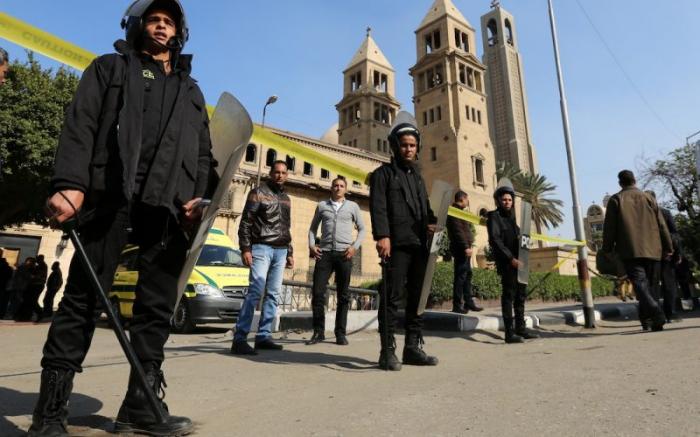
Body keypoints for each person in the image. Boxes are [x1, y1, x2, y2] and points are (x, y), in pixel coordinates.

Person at [30, 1, 213, 435]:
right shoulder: (110, 68)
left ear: (179, 33)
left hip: (166, 210)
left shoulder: (191, 91)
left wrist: (199, 198)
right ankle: (50, 412)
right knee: (82, 300)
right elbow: (81, 123)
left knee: (155, 309)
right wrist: (70, 182)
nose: (161, 27)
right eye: (154, 20)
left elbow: (203, 153)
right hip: (110, 197)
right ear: (138, 26)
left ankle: (141, 405)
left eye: (169, 22)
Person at [369, 122, 438, 371]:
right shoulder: (382, 175)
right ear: (395, 146)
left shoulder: (418, 179)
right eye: (404, 145)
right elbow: (378, 208)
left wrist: (433, 223)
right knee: (391, 297)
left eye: (412, 145)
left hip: (420, 245)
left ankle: (412, 347)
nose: (408, 149)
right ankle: (387, 351)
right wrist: (383, 236)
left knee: (418, 298)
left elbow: (427, 211)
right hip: (396, 244)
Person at [231, 160, 294, 355]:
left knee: (273, 294)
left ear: (287, 175)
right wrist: (245, 249)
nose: (280, 175)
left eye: (284, 173)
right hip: (261, 248)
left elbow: (286, 227)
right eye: (277, 172)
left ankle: (263, 336)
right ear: (270, 173)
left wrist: (289, 252)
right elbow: (245, 223)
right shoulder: (257, 193)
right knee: (255, 292)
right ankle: (239, 338)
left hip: (281, 250)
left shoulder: (286, 198)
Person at [602, 170, 672, 332]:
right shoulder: (648, 198)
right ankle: (649, 321)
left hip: (630, 250)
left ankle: (655, 313)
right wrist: (668, 247)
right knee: (650, 287)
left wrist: (606, 249)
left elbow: (610, 227)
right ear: (635, 180)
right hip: (654, 249)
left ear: (620, 183)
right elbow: (661, 225)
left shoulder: (616, 199)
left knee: (641, 285)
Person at [306, 176, 366, 345]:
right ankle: (318, 332)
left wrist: (354, 247)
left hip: (344, 254)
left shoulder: (353, 206)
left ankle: (340, 333)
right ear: (331, 188)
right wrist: (312, 245)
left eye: (341, 186)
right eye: (335, 185)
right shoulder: (322, 206)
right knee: (318, 293)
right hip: (324, 253)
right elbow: (312, 229)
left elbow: (362, 229)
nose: (338, 188)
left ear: (345, 189)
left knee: (343, 295)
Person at [486, 180, 539, 344]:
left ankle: (520, 328)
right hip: (508, 263)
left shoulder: (512, 219)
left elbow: (519, 239)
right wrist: (511, 259)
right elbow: (495, 240)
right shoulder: (494, 216)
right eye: (504, 200)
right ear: (498, 201)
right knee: (509, 296)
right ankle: (509, 333)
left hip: (520, 263)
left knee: (520, 296)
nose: (507, 202)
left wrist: (525, 247)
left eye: (509, 200)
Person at [446, 190, 482, 314]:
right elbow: (458, 231)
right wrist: (465, 246)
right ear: (462, 199)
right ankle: (457, 305)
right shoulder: (454, 212)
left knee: (467, 275)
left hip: (465, 248)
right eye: (467, 199)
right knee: (461, 277)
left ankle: (468, 302)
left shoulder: (460, 212)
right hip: (461, 249)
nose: (468, 201)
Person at [0, 249, 13, 317]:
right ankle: (2, 314)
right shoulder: (8, 268)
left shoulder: (5, 267)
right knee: (3, 301)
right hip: (4, 287)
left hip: (3, 287)